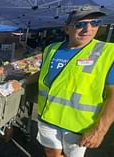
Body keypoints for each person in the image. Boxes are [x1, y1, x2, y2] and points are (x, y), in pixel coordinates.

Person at [35, 5, 114, 157]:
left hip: (78, 125)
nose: (88, 29)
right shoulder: (51, 49)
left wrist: (99, 130)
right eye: (80, 24)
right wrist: (22, 82)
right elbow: (44, 72)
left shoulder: (108, 53)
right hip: (47, 117)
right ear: (67, 28)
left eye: (95, 23)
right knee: (51, 152)